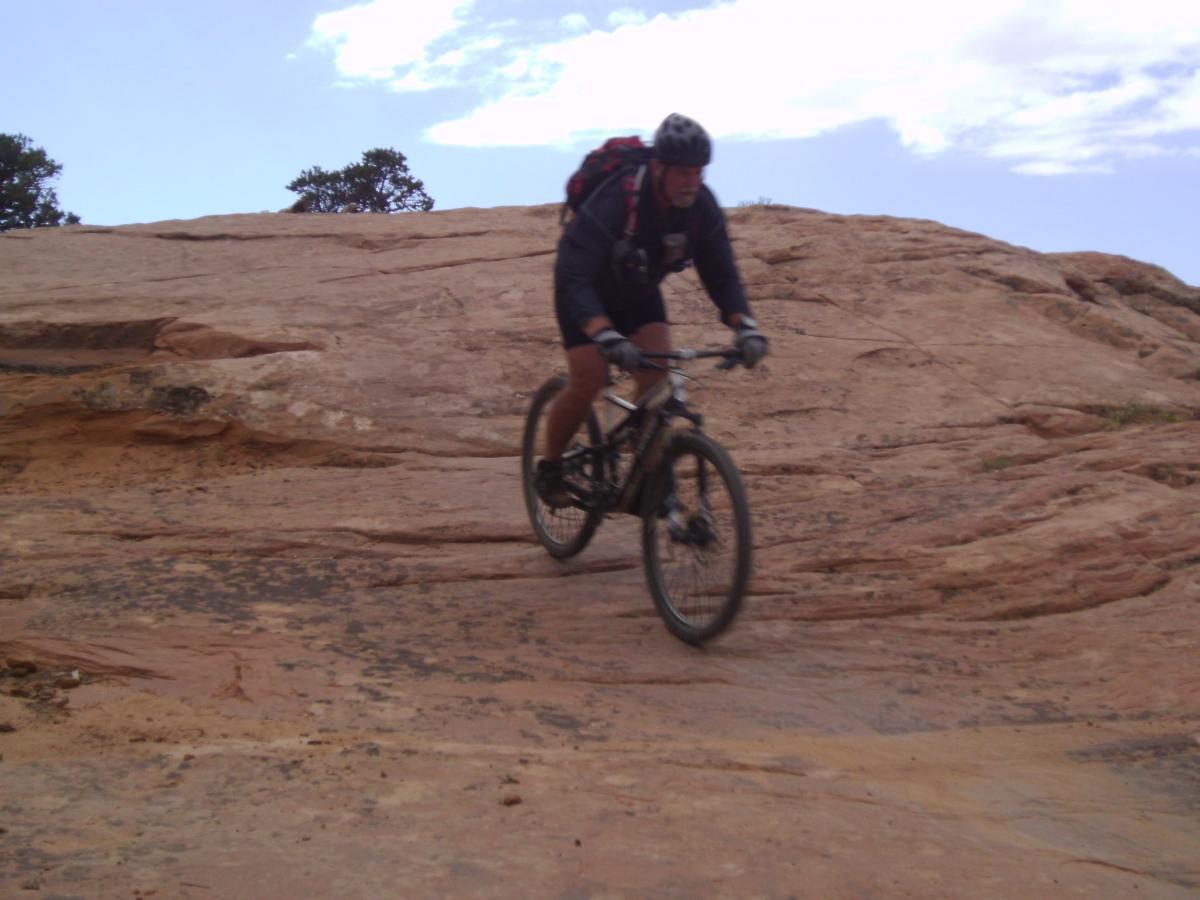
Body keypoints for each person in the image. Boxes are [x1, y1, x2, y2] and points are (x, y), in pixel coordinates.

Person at [536, 113, 768, 507]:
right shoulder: (616, 201)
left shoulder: (701, 207)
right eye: (683, 173)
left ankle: (646, 481)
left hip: (638, 292)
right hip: (585, 290)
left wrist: (744, 325)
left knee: (657, 378)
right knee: (589, 379)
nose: (692, 183)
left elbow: (722, 274)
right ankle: (551, 468)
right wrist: (603, 333)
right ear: (659, 167)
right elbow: (575, 277)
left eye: (698, 173)